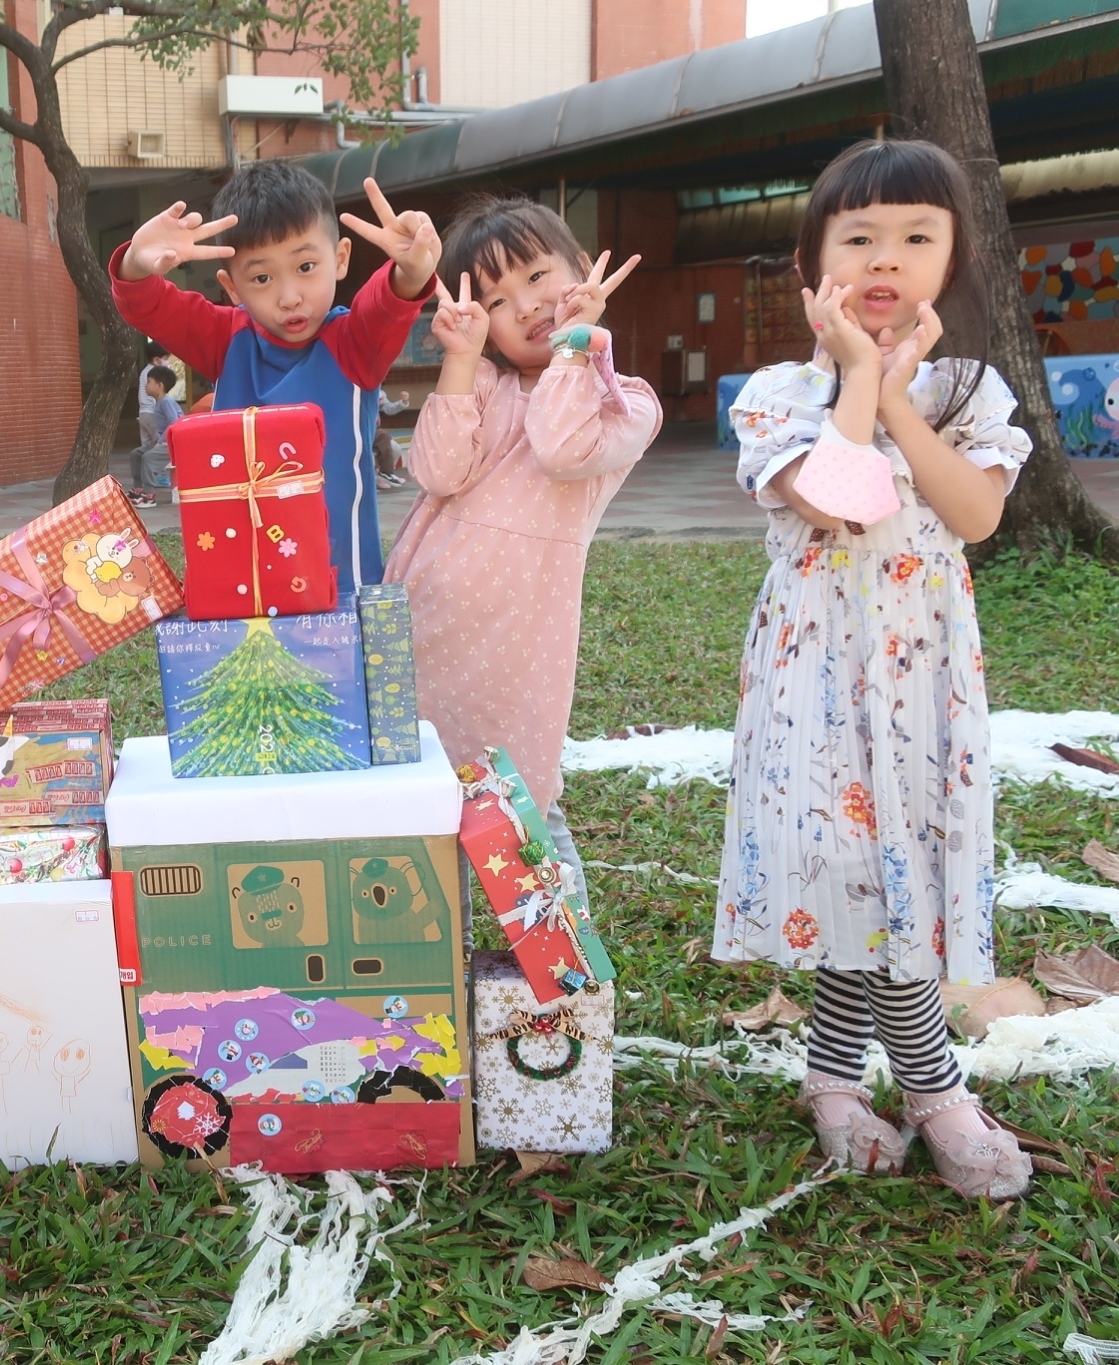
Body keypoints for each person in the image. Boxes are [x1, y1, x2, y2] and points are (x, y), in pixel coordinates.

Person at [714, 138, 1034, 1200]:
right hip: (816, 680)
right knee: (856, 870)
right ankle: (935, 1086)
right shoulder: (773, 392)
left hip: (923, 678)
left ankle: (831, 1078)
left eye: (913, 235)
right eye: (856, 238)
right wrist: (856, 373)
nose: (884, 256)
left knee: (896, 873)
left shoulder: (967, 390)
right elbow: (837, 498)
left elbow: (975, 513)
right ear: (813, 268)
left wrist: (898, 397)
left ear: (952, 256)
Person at [384, 195, 656, 926]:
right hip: (422, 637)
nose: (528, 306)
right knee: (418, 815)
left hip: (517, 651)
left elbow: (562, 446)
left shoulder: (625, 400)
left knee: (522, 807)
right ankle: (432, 987)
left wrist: (575, 347)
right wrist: (461, 359)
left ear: (580, 269)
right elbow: (438, 470)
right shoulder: (484, 382)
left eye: (539, 278)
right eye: (499, 301)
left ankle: (565, 1002)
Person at [113, 164, 439, 591]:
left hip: (341, 585)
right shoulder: (227, 339)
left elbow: (388, 304)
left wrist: (411, 272)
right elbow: (150, 306)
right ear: (233, 288)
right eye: (262, 278)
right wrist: (137, 262)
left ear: (340, 259)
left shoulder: (355, 344)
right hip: (244, 580)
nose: (289, 297)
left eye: (306, 266)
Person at [129, 364, 182, 507]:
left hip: (173, 443)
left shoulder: (166, 402)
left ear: (159, 385)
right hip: (163, 441)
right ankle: (138, 489)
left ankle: (149, 495)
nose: (145, 386)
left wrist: (161, 441)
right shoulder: (158, 402)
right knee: (136, 454)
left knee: (148, 457)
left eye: (148, 382)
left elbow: (173, 423)